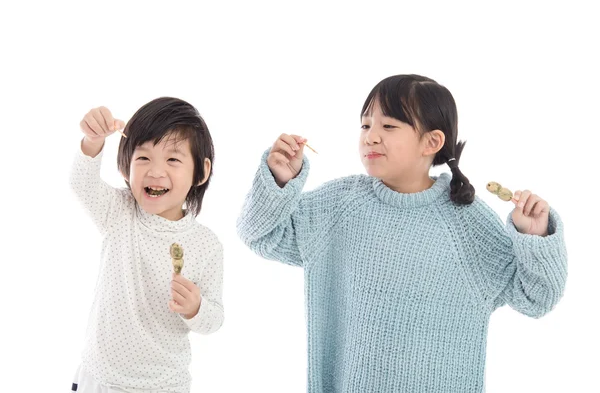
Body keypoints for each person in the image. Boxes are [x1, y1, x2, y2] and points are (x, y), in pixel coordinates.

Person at [237, 74, 567, 392]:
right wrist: (278, 180)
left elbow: (537, 299)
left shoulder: (467, 224)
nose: (370, 136)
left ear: (432, 142)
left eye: (389, 126)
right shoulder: (338, 207)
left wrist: (536, 239)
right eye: (365, 125)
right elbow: (259, 234)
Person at [70, 97, 224, 393]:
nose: (155, 171)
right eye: (143, 158)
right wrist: (92, 140)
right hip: (99, 378)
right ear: (125, 166)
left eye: (173, 160)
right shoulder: (119, 212)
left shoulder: (206, 245)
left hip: (163, 385)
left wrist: (196, 308)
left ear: (201, 172)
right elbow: (81, 182)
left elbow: (214, 318)